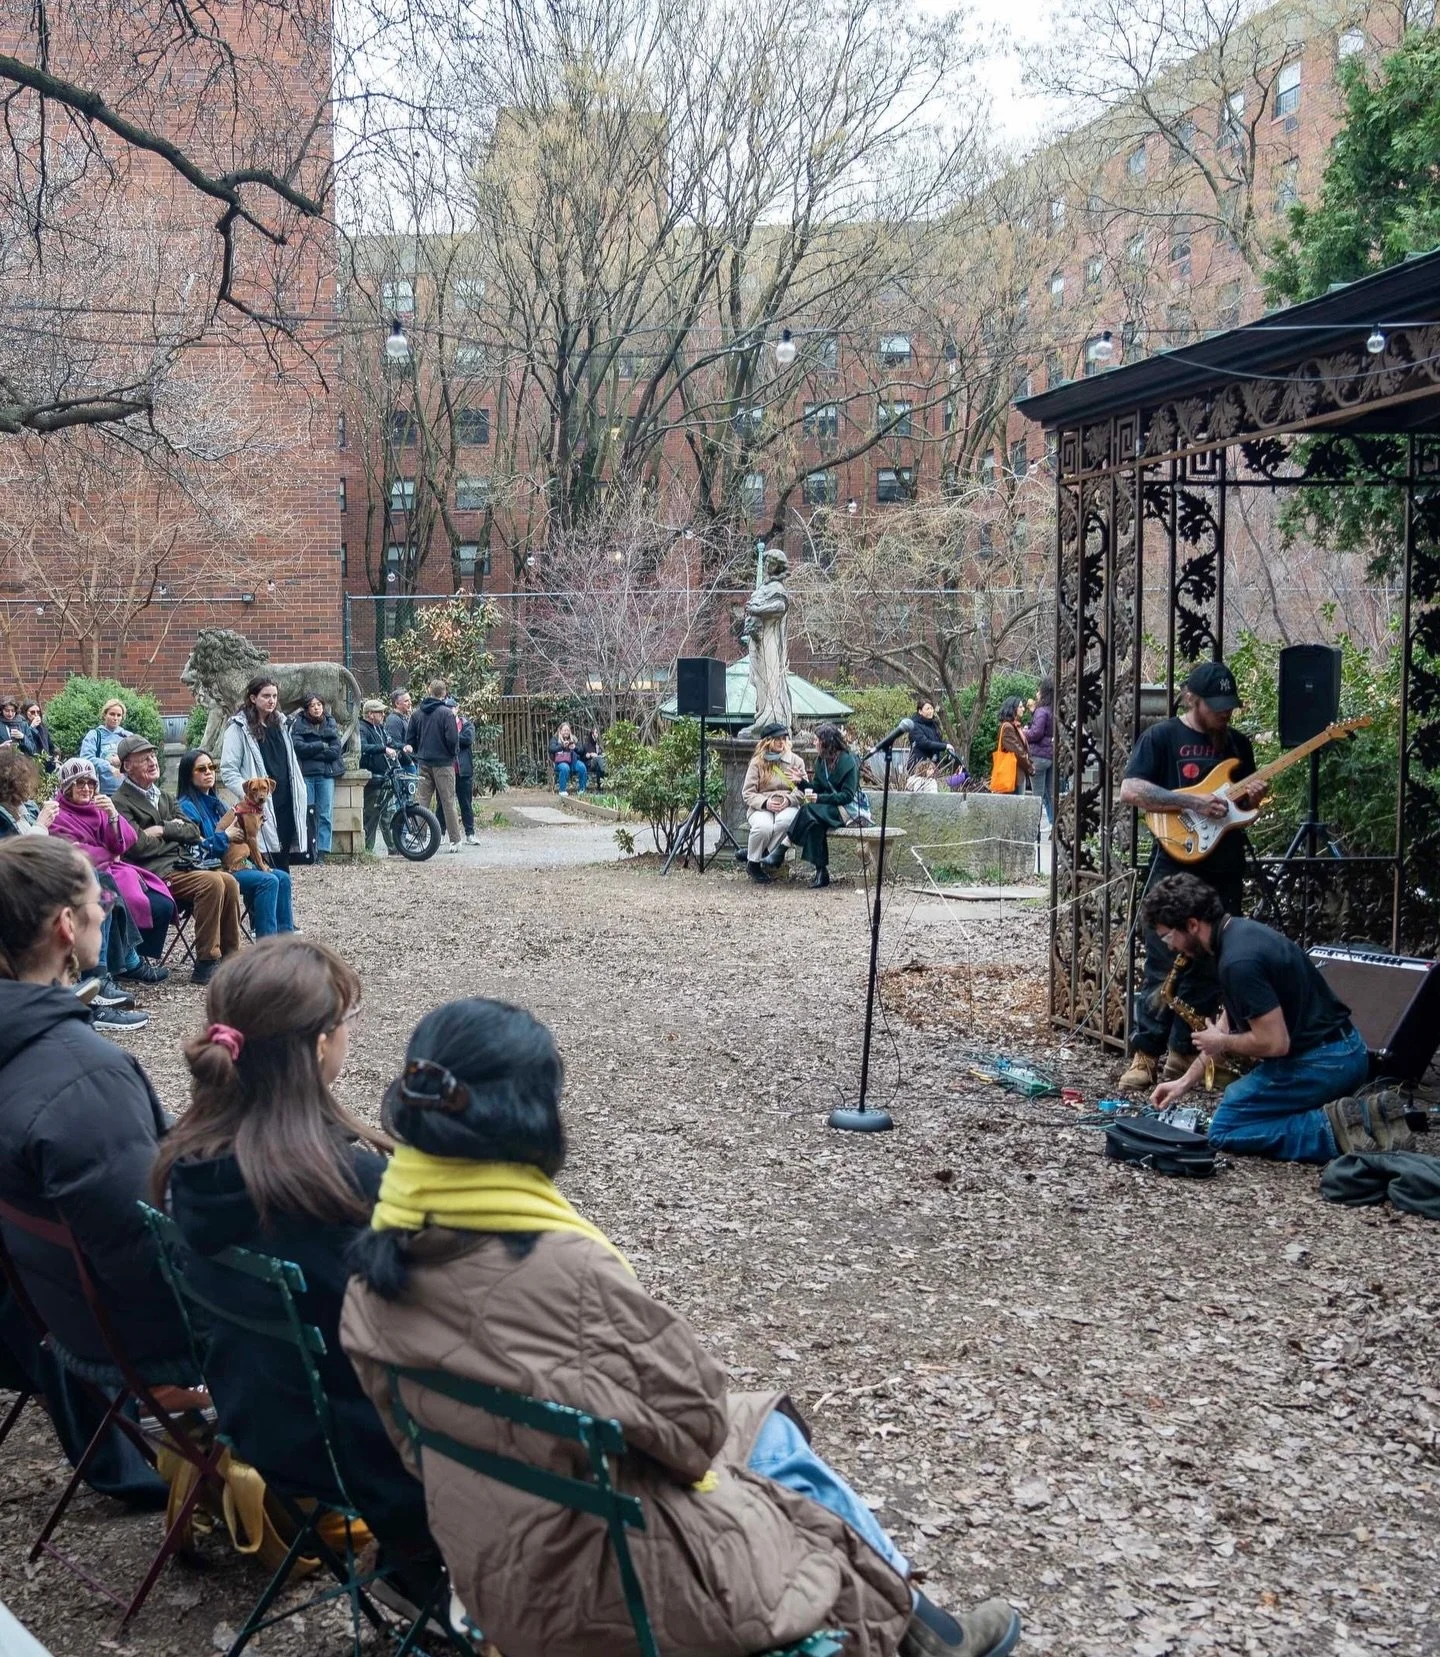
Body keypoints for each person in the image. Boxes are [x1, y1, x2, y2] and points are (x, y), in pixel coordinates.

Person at [341, 998, 1020, 1657]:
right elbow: (696, 1431)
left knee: (761, 1427)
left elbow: (411, 1446)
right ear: (528, 1117)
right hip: (619, 1587)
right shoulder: (564, 1270)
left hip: (492, 1577)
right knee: (775, 1453)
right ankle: (927, 1626)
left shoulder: (373, 1278)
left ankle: (929, 1625)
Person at [151, 939, 439, 1570]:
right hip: (366, 1455)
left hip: (255, 1420)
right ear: (316, 1046)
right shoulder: (345, 1187)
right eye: (344, 1025)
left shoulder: (186, 1164)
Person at [0, 837, 197, 1506]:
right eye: (96, 900)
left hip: (37, 1314)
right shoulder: (79, 1075)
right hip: (123, 1337)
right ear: (64, 926)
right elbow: (151, 1257)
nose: (107, 907)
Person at [1142, 873, 1412, 1162]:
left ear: (1193, 925)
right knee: (1242, 1103)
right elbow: (1227, 1024)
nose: (1170, 947)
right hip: (1345, 1050)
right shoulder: (1236, 936)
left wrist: (1223, 1043)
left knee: (1226, 1128)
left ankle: (1333, 1128)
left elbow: (1275, 1043)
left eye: (1169, 936)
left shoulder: (1238, 963)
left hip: (1326, 1062)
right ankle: (1370, 1116)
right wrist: (1184, 1082)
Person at [1116, 660, 1268, 1093]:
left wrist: (1253, 799)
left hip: (1223, 867)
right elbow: (1132, 790)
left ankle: (1184, 1056)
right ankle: (1145, 1054)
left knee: (1211, 963)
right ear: (1190, 699)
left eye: (1230, 706)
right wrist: (1194, 802)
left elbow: (1242, 813)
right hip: (1176, 864)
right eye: (1216, 705)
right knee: (1163, 961)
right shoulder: (1163, 737)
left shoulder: (1237, 743)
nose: (1225, 713)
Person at [114, 735, 243, 986]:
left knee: (229, 881)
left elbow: (193, 832)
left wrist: (162, 829)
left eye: (153, 756)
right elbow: (138, 846)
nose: (153, 762)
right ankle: (206, 963)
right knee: (212, 883)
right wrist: (175, 831)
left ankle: (231, 958)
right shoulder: (119, 802)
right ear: (127, 766)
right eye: (144, 759)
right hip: (153, 873)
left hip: (183, 865)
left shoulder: (164, 796)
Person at [50, 756, 174, 1002]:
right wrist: (111, 852)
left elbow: (127, 842)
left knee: (162, 904)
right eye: (79, 783)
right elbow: (76, 854)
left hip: (116, 871)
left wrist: (114, 815)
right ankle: (123, 965)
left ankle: (129, 961)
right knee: (108, 893)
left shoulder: (100, 808)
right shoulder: (58, 813)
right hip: (79, 879)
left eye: (90, 783)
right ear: (66, 787)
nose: (86, 788)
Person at [176, 749, 295, 938]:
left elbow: (246, 836)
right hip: (211, 869)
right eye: (201, 769)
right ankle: (267, 947)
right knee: (268, 880)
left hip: (232, 860)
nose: (209, 772)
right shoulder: (185, 807)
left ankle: (285, 940)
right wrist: (226, 836)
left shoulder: (219, 802)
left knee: (283, 877)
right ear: (188, 775)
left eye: (211, 767)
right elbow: (194, 850)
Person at [218, 675, 308, 871]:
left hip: (285, 800)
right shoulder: (238, 729)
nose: (272, 701)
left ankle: (284, 903)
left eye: (275, 696)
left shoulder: (282, 725)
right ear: (252, 698)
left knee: (282, 863)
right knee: (263, 864)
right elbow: (228, 770)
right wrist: (249, 797)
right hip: (257, 806)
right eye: (266, 696)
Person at [782, 723, 859, 890]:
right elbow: (816, 787)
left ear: (826, 742)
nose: (814, 743)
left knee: (808, 809)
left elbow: (847, 796)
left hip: (844, 811)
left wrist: (819, 798)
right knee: (814, 821)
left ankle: (783, 848)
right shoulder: (821, 761)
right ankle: (821, 873)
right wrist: (801, 783)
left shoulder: (848, 761)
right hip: (825, 809)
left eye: (816, 740)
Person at [742, 723, 808, 882]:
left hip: (787, 804)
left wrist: (788, 799)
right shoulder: (757, 762)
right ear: (768, 741)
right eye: (777, 739)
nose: (781, 742)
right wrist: (765, 803)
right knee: (763, 827)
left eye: (784, 738)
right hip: (762, 805)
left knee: (785, 823)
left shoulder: (795, 761)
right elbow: (747, 792)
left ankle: (760, 855)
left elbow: (804, 788)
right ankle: (754, 865)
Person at [406, 679, 463, 853]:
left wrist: (419, 752)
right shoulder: (447, 714)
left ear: (429, 690)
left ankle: (419, 836)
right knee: (448, 801)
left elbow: (410, 739)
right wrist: (452, 753)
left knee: (422, 801)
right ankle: (455, 840)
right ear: (444, 693)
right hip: (444, 763)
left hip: (423, 762)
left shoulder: (417, 714)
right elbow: (453, 739)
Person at [289, 692, 345, 864]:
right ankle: (308, 851)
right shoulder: (298, 724)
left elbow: (335, 751)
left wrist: (313, 752)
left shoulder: (330, 723)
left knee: (325, 814)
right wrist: (321, 745)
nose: (316, 708)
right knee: (307, 815)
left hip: (326, 775)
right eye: (312, 705)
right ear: (307, 708)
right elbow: (298, 748)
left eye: (319, 704)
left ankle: (322, 852)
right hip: (306, 775)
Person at [359, 699, 397, 854]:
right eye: (379, 712)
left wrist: (401, 748)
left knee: (388, 814)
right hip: (371, 779)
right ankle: (367, 850)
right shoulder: (362, 729)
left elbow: (391, 743)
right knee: (371, 816)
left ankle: (394, 847)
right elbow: (363, 747)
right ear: (370, 714)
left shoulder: (380, 728)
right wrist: (383, 749)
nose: (383, 715)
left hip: (384, 777)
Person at [79, 698, 133, 796]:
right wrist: (109, 765)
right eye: (112, 714)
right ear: (105, 715)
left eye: (119, 715)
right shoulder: (95, 735)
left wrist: (122, 759)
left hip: (127, 792)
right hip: (101, 793)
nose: (115, 718)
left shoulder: (128, 736)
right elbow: (86, 759)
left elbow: (139, 758)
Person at [1023, 678, 1054, 828]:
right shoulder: (1054, 710)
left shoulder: (1041, 711)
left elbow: (1036, 733)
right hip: (1051, 755)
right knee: (1050, 793)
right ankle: (1054, 823)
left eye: (1039, 690)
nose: (1036, 693)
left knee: (1037, 795)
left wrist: (1024, 733)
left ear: (1044, 692)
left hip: (1039, 757)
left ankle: (1034, 827)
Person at [988, 699, 1032, 795]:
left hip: (1017, 774)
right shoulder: (1008, 727)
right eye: (1020, 707)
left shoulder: (1014, 726)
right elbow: (1017, 752)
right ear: (1013, 709)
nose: (1023, 709)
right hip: (1013, 775)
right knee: (1016, 806)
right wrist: (1030, 767)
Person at [453, 703, 480, 845]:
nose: (450, 710)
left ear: (457, 708)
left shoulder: (467, 724)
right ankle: (441, 833)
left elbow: (468, 739)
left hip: (464, 771)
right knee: (443, 804)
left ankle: (470, 834)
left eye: (452, 707)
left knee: (466, 804)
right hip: (447, 771)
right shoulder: (442, 725)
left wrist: (451, 737)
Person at [907, 699, 952, 773]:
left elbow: (938, 740)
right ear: (920, 711)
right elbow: (925, 743)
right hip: (918, 766)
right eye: (927, 709)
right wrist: (945, 746)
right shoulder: (914, 726)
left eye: (931, 708)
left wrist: (947, 746)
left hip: (932, 766)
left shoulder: (934, 724)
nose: (930, 711)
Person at [549, 721, 587, 796]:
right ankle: (562, 790)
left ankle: (582, 790)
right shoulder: (555, 738)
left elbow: (582, 750)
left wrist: (575, 748)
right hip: (560, 762)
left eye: (568, 730)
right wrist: (562, 746)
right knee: (565, 768)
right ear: (560, 731)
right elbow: (551, 749)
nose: (566, 732)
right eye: (564, 730)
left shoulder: (574, 739)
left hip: (573, 761)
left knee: (582, 767)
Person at [17, 702, 57, 773]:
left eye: (38, 712)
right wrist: (32, 727)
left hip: (45, 765)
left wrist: (55, 754)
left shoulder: (42, 727)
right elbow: (25, 745)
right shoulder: (22, 726)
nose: (36, 715)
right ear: (25, 712)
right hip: (30, 765)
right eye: (32, 712)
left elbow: (49, 745)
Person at [385, 689, 416, 771]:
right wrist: (410, 762)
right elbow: (394, 744)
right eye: (406, 701)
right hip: (405, 765)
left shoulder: (403, 717)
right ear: (397, 704)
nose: (410, 703)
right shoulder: (394, 720)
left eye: (410, 700)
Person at [580, 726, 605, 790]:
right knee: (598, 759)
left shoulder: (601, 745)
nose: (597, 735)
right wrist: (589, 755)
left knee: (599, 766)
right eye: (596, 733)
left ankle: (600, 787)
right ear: (592, 734)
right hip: (589, 764)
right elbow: (582, 758)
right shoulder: (586, 745)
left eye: (598, 733)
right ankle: (604, 769)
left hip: (598, 764)